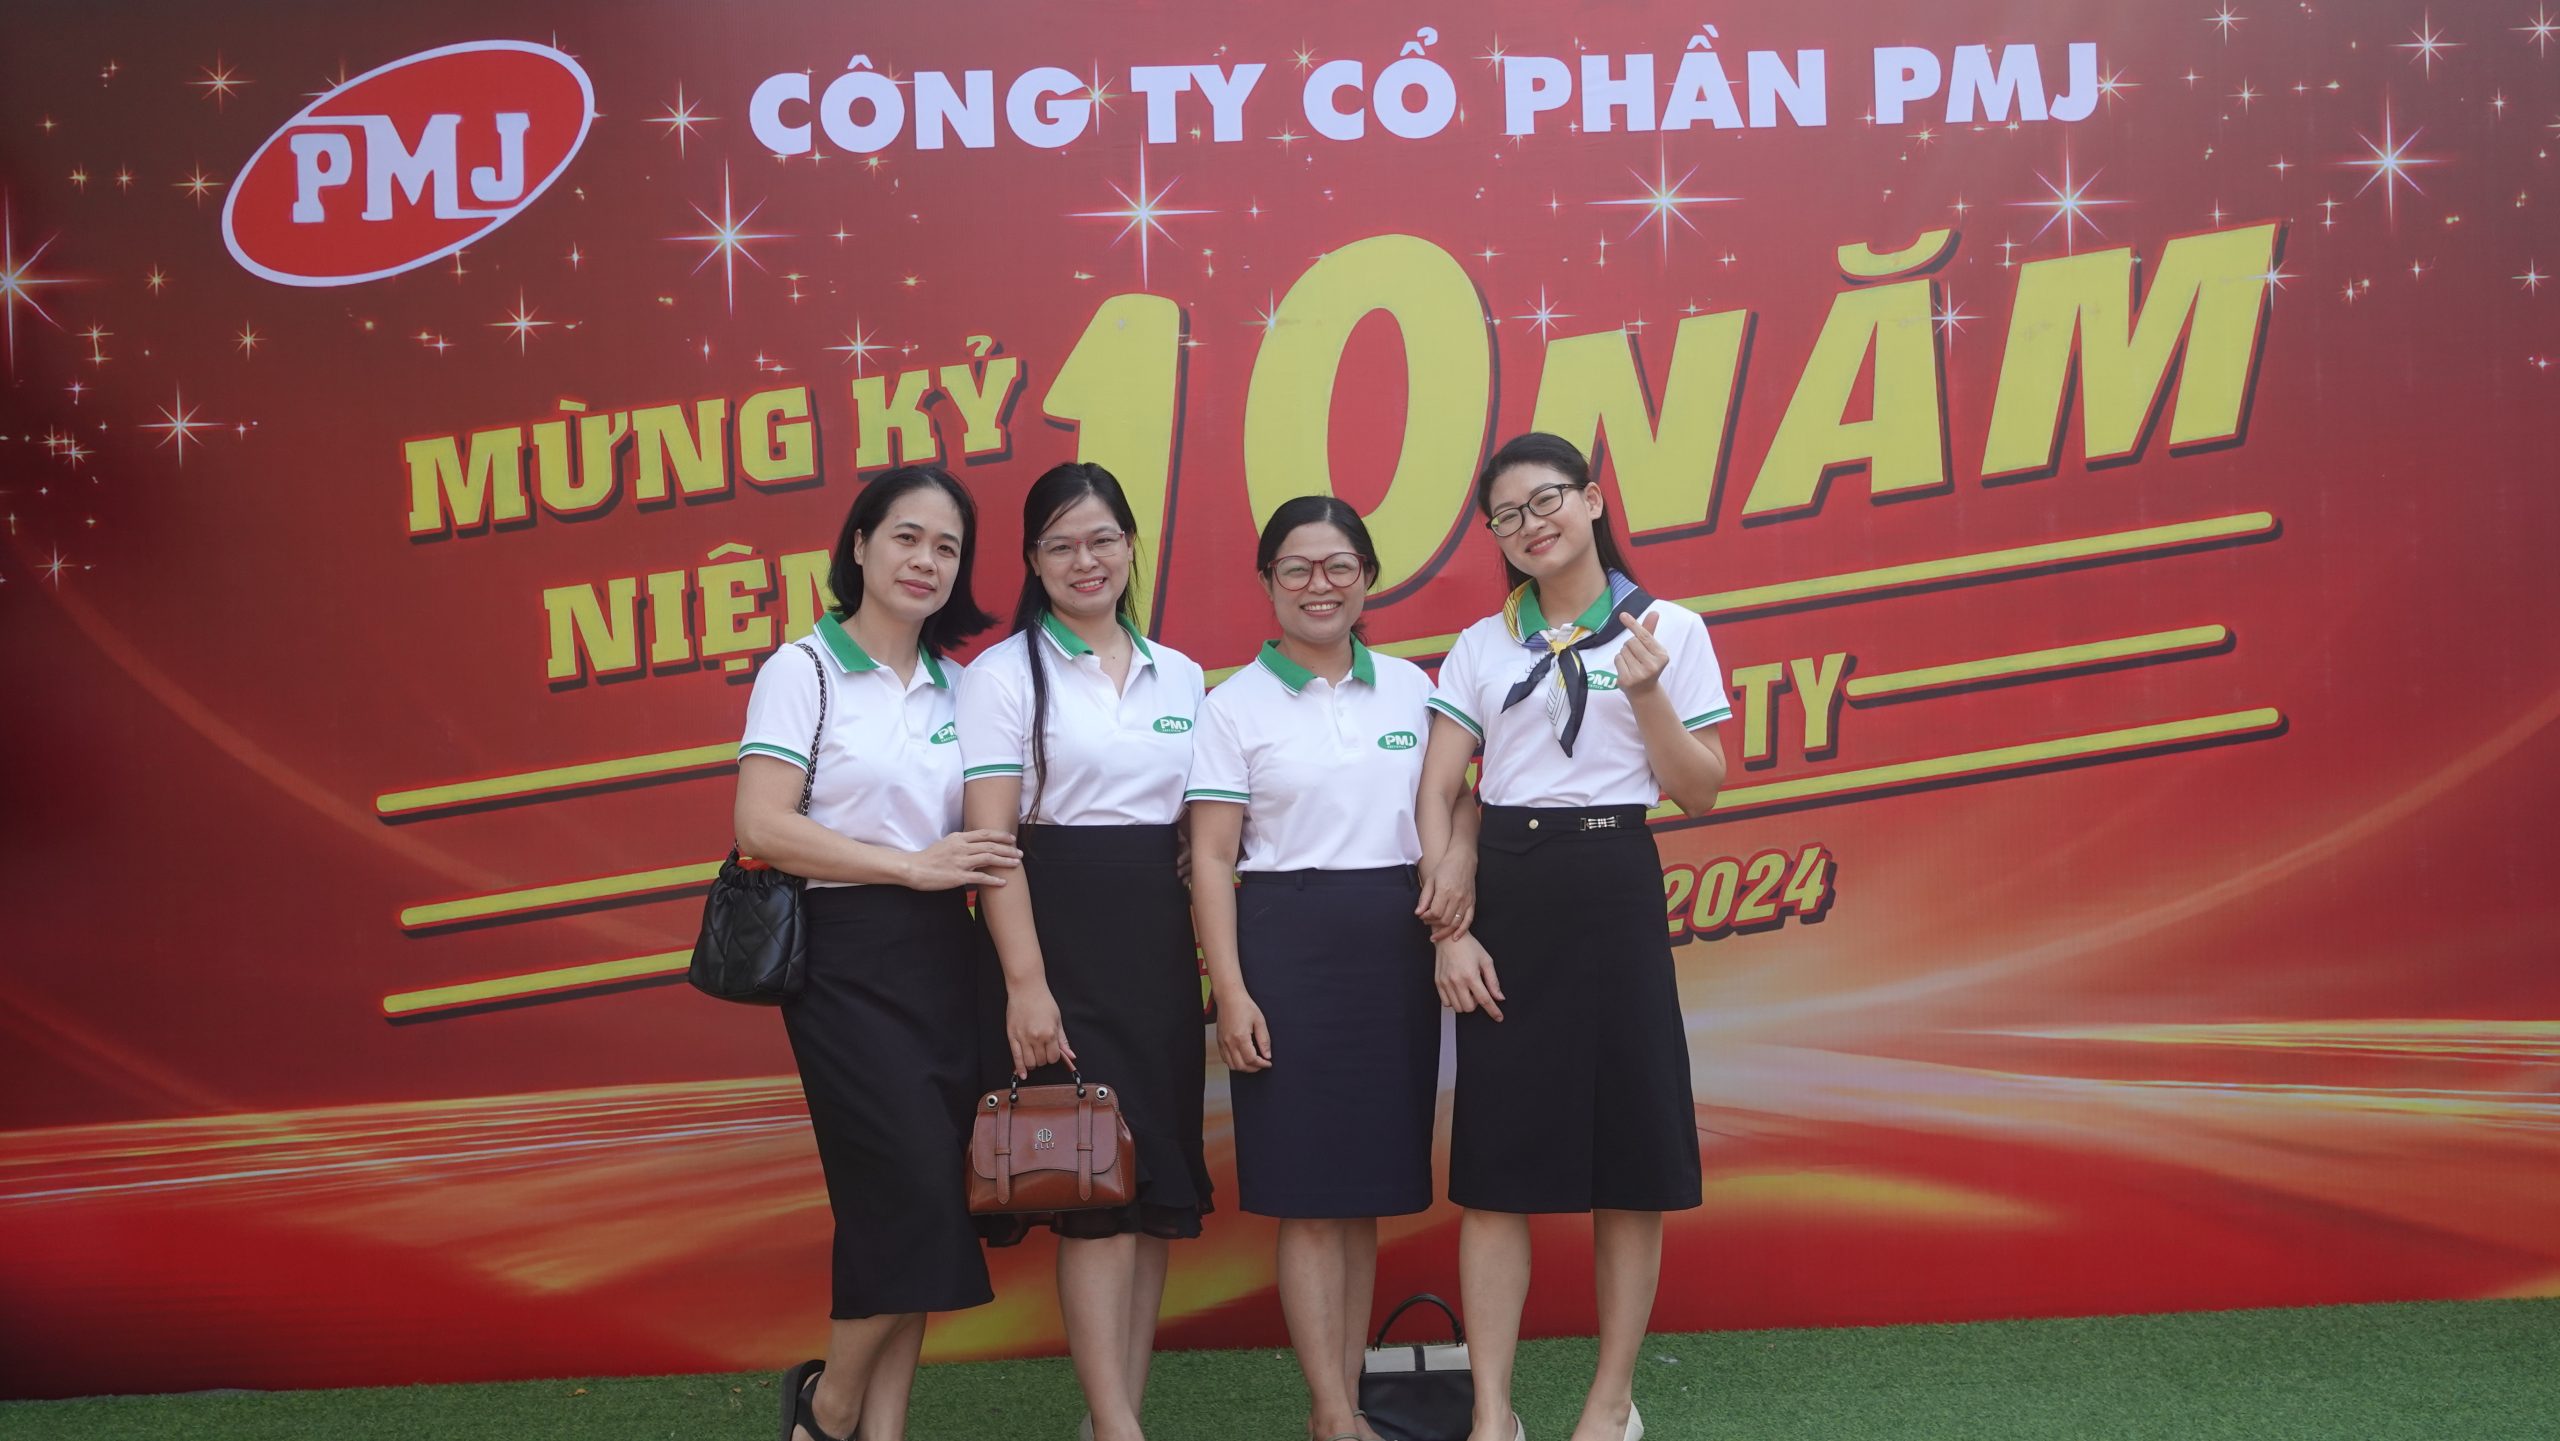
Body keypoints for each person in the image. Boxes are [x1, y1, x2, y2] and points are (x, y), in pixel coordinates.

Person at [1416, 433, 1731, 1441]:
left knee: (1630, 1163)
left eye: (1545, 500)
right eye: (1506, 515)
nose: (1529, 525)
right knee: (1494, 1172)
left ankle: (1609, 1403)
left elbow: (1699, 790)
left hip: (1613, 881)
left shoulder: (1669, 628)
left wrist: (1645, 691)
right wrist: (1449, 921)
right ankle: (1492, 1414)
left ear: (1592, 500)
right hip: (1508, 893)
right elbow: (1440, 788)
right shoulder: (1482, 644)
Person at [735, 465, 1024, 1441]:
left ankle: (879, 1429)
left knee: (925, 1195)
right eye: (906, 537)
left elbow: (993, 829)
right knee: (906, 1190)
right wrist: (908, 866)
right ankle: (829, 1408)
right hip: (842, 959)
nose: (925, 561)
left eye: (946, 547)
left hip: (947, 961)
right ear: (859, 544)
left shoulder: (965, 688)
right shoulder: (803, 670)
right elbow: (762, 825)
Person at [1185, 496, 1477, 1441]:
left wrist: (1457, 868)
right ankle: (1330, 1413)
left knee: (1361, 1196)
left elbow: (1457, 800)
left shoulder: (1412, 688)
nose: (1321, 585)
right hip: (1286, 946)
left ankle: (1346, 1401)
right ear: (1267, 582)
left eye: (1340, 565)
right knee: (1308, 1198)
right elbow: (1212, 860)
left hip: (1394, 946)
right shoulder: (1230, 706)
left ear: (1368, 577)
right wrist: (1232, 990)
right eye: (1298, 568)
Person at [956, 462, 1213, 1441]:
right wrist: (1026, 986)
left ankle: (1115, 1418)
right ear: (1033, 560)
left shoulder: (1180, 674)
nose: (1085, 560)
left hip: (1157, 949)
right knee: (1093, 1190)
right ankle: (1115, 1425)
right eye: (1061, 544)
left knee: (1149, 1192)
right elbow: (991, 845)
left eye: (1102, 538)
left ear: (1131, 545)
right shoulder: (1000, 675)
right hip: (1057, 944)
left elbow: (1198, 823)